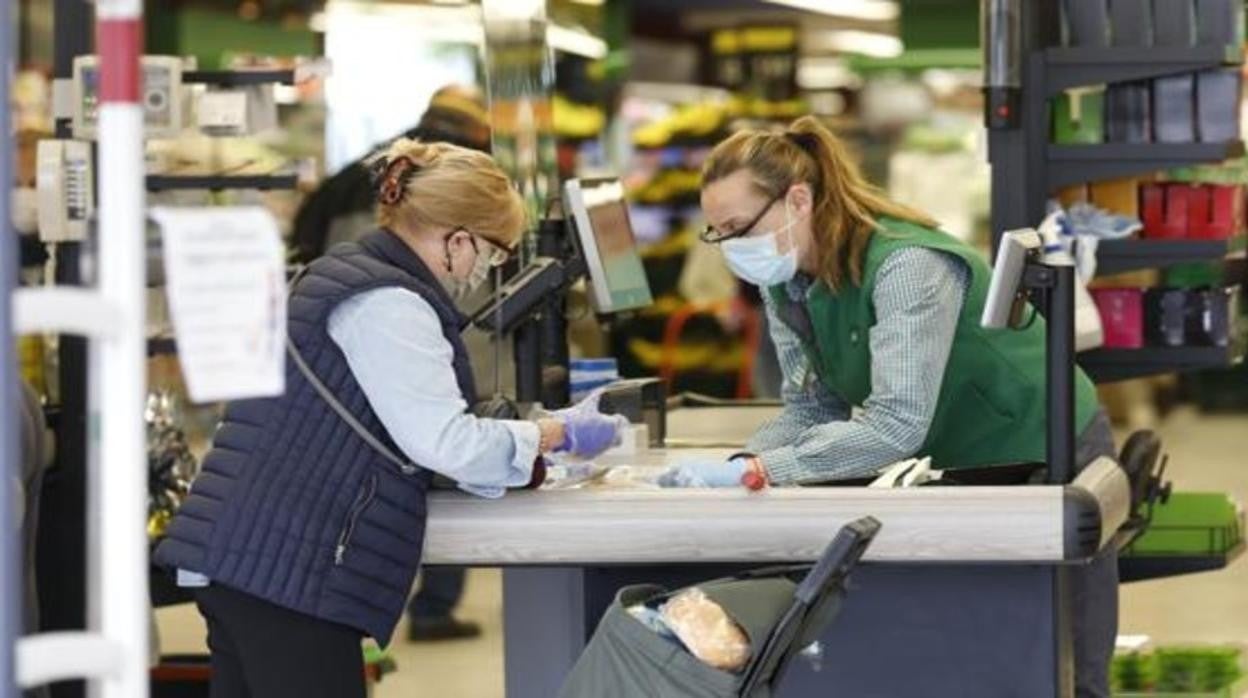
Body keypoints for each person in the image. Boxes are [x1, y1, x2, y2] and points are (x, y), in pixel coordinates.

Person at [659, 115, 1117, 698]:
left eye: (736, 227)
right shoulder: (789, 282)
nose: (730, 248)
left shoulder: (907, 266)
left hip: (1044, 446)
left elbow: (896, 423)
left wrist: (764, 471)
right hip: (957, 460)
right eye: (717, 233)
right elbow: (812, 405)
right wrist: (740, 463)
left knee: (1064, 665)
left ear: (798, 200)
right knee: (982, 655)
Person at [154, 138, 624, 698]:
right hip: (290, 566)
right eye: (494, 253)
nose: (488, 270)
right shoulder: (389, 303)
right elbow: (443, 441)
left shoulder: (353, 271)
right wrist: (556, 432)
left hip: (250, 553)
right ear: (457, 239)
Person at [292, 83, 492, 641]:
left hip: (333, 352)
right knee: (435, 460)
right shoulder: (449, 190)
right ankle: (432, 606)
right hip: (400, 339)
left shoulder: (371, 170)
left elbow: (307, 240)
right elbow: (449, 441)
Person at [290, 84, 492, 265]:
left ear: (427, 116)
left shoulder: (356, 174)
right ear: (481, 130)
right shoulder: (478, 180)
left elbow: (303, 248)